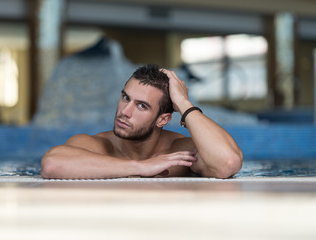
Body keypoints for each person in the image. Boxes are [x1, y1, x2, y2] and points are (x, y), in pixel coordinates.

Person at [41, 64, 243, 179]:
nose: (125, 112)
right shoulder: (97, 145)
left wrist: (183, 103)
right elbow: (51, 164)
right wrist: (141, 167)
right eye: (126, 98)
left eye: (141, 106)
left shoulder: (177, 152)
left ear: (163, 119)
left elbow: (227, 162)